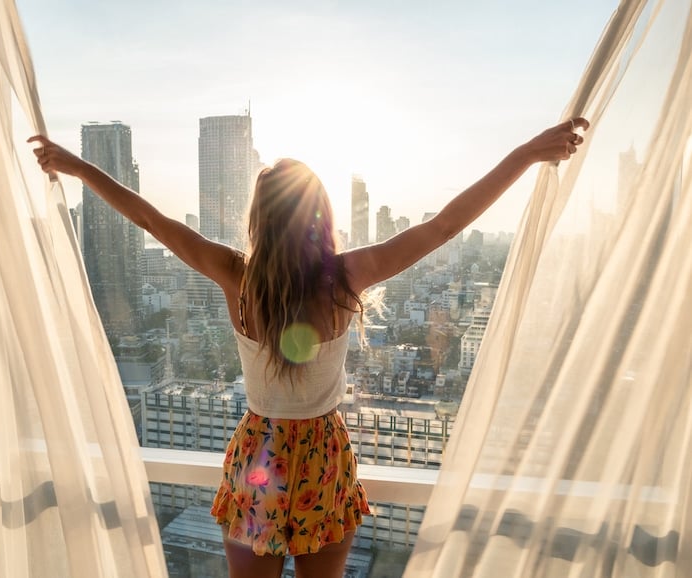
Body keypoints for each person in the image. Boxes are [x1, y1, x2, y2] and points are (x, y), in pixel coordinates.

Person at [29, 116, 589, 578]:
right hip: (323, 453)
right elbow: (443, 227)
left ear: (259, 219)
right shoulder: (344, 277)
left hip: (257, 458)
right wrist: (524, 153)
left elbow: (152, 219)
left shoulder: (236, 277)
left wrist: (76, 166)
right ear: (320, 216)